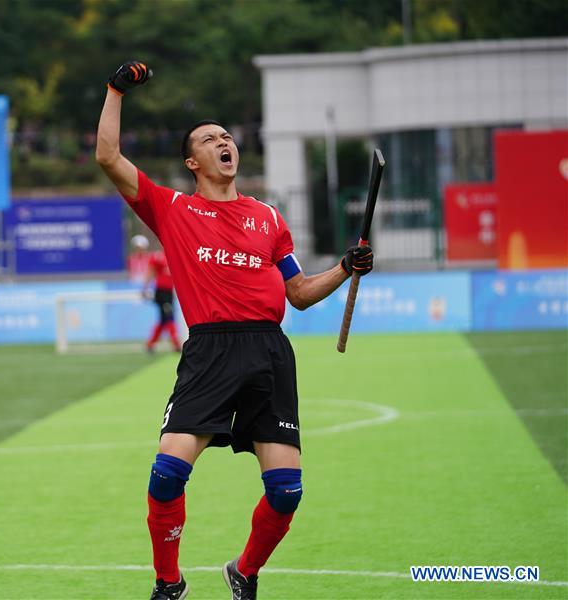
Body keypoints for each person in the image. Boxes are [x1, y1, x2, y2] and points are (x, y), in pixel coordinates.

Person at [95, 62, 374, 600]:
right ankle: (168, 582)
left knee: (286, 491)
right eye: (210, 139)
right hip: (210, 352)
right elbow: (108, 156)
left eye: (227, 136)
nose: (224, 143)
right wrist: (115, 91)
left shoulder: (268, 217)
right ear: (191, 162)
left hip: (269, 353)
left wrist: (345, 267)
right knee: (167, 474)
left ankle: (244, 571)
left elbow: (298, 294)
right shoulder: (172, 208)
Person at [143, 246, 181, 353]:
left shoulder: (173, 255)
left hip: (169, 292)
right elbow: (151, 271)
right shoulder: (157, 257)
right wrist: (145, 287)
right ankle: (176, 344)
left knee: (164, 320)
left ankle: (150, 344)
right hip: (162, 292)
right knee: (169, 317)